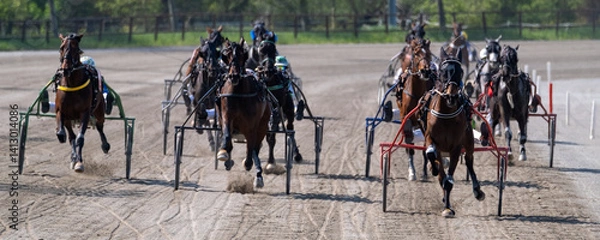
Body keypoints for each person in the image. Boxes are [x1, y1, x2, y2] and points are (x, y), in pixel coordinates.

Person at [41, 56, 114, 115]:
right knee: (101, 99)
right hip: (91, 105)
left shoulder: (76, 80)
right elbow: (104, 90)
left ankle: (48, 106)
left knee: (63, 106)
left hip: (77, 104)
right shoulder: (97, 79)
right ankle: (106, 102)